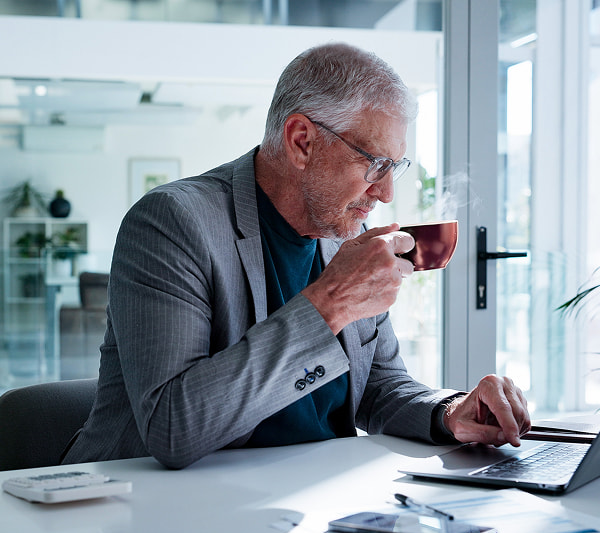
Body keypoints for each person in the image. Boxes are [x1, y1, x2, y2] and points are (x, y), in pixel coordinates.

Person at [62, 42, 531, 470]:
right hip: (151, 504)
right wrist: (331, 303)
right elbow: (171, 428)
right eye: (376, 164)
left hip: (304, 497)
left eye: (396, 167)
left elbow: (379, 388)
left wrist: (450, 412)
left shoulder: (343, 231)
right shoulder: (171, 224)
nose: (387, 192)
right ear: (302, 141)